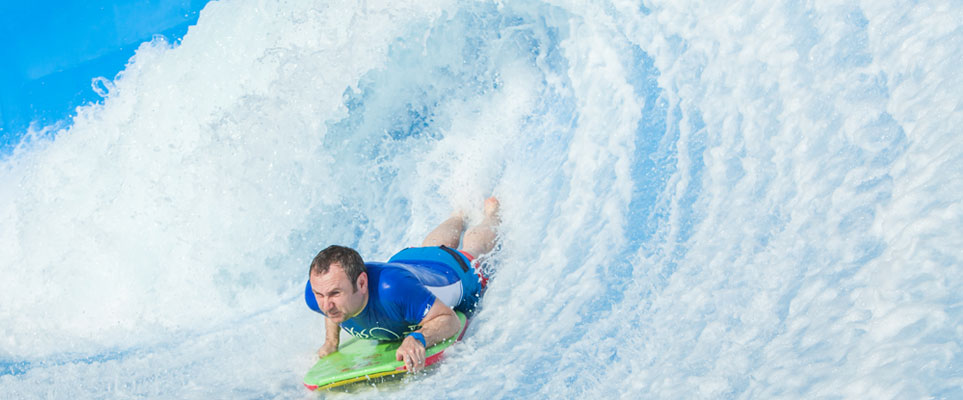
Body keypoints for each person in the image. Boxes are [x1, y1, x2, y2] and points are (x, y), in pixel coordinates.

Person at [304, 197, 501, 372]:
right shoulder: (317, 293)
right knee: (430, 247)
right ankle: (458, 214)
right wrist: (331, 342)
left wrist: (419, 338)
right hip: (407, 261)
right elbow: (328, 304)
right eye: (320, 295)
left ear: (362, 283)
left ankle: (492, 214)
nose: (326, 305)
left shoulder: (392, 291)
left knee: (471, 251)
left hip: (451, 271)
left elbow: (450, 320)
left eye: (335, 294)